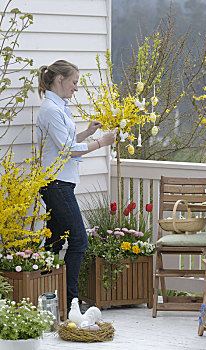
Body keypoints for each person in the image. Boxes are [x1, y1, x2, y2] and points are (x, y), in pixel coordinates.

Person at [36, 60, 116, 312]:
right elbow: (68, 149)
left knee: (56, 241)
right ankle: (72, 302)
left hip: (61, 182)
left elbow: (67, 141)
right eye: (74, 82)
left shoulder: (59, 107)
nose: (76, 88)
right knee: (79, 240)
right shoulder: (50, 108)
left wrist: (86, 133)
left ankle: (47, 301)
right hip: (56, 183)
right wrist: (101, 142)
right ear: (60, 79)